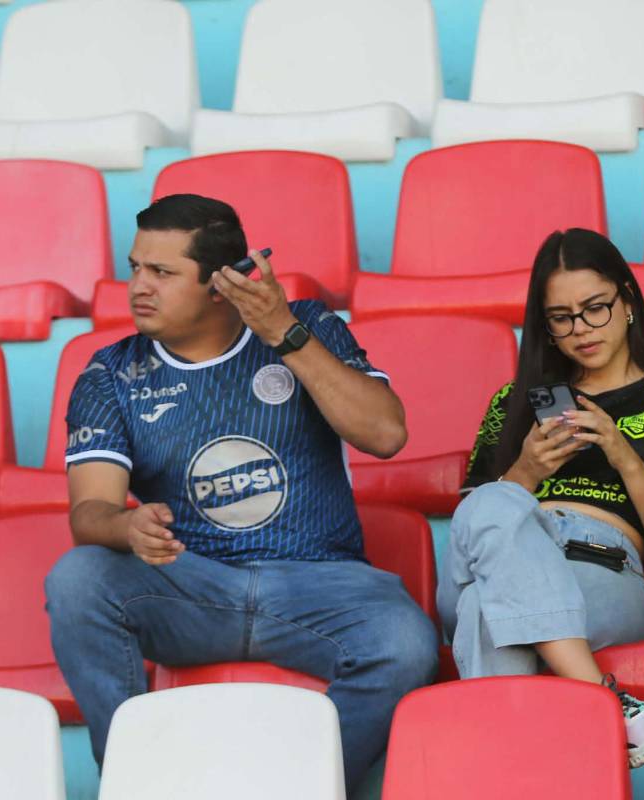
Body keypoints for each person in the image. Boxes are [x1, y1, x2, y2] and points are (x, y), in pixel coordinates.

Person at [44, 194, 438, 793]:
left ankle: (302, 786)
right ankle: (134, 779)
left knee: (404, 644)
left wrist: (285, 334)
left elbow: (385, 433)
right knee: (79, 580)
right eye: (135, 267)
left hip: (320, 583)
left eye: (162, 272)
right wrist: (125, 527)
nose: (138, 287)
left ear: (219, 284)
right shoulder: (109, 373)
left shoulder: (311, 325)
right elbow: (89, 512)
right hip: (192, 587)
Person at [437, 228, 644, 767]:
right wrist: (523, 471)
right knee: (496, 508)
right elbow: (475, 528)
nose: (580, 330)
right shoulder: (510, 404)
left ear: (628, 300)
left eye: (595, 309)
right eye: (561, 317)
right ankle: (610, 705)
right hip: (495, 560)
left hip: (601, 572)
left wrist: (622, 453)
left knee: (485, 611)